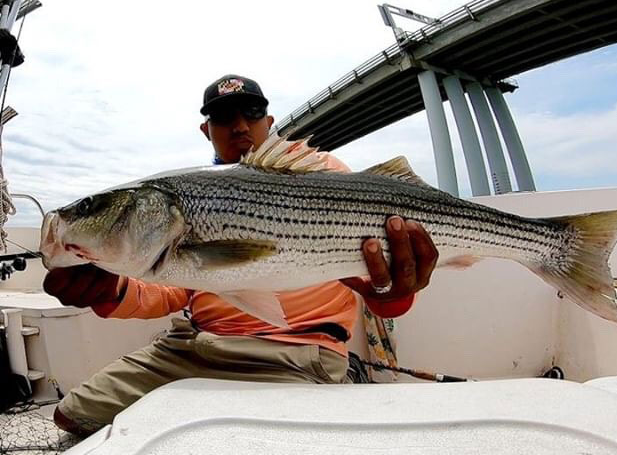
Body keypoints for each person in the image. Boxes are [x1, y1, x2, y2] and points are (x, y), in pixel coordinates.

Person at [44, 74, 439, 436]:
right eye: (222, 116)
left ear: (269, 122)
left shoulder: (325, 173)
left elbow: (387, 287)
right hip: (193, 347)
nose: (239, 126)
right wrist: (109, 292)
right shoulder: (187, 194)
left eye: (252, 112)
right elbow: (171, 291)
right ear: (206, 130)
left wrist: (391, 294)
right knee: (73, 414)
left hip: (296, 353)